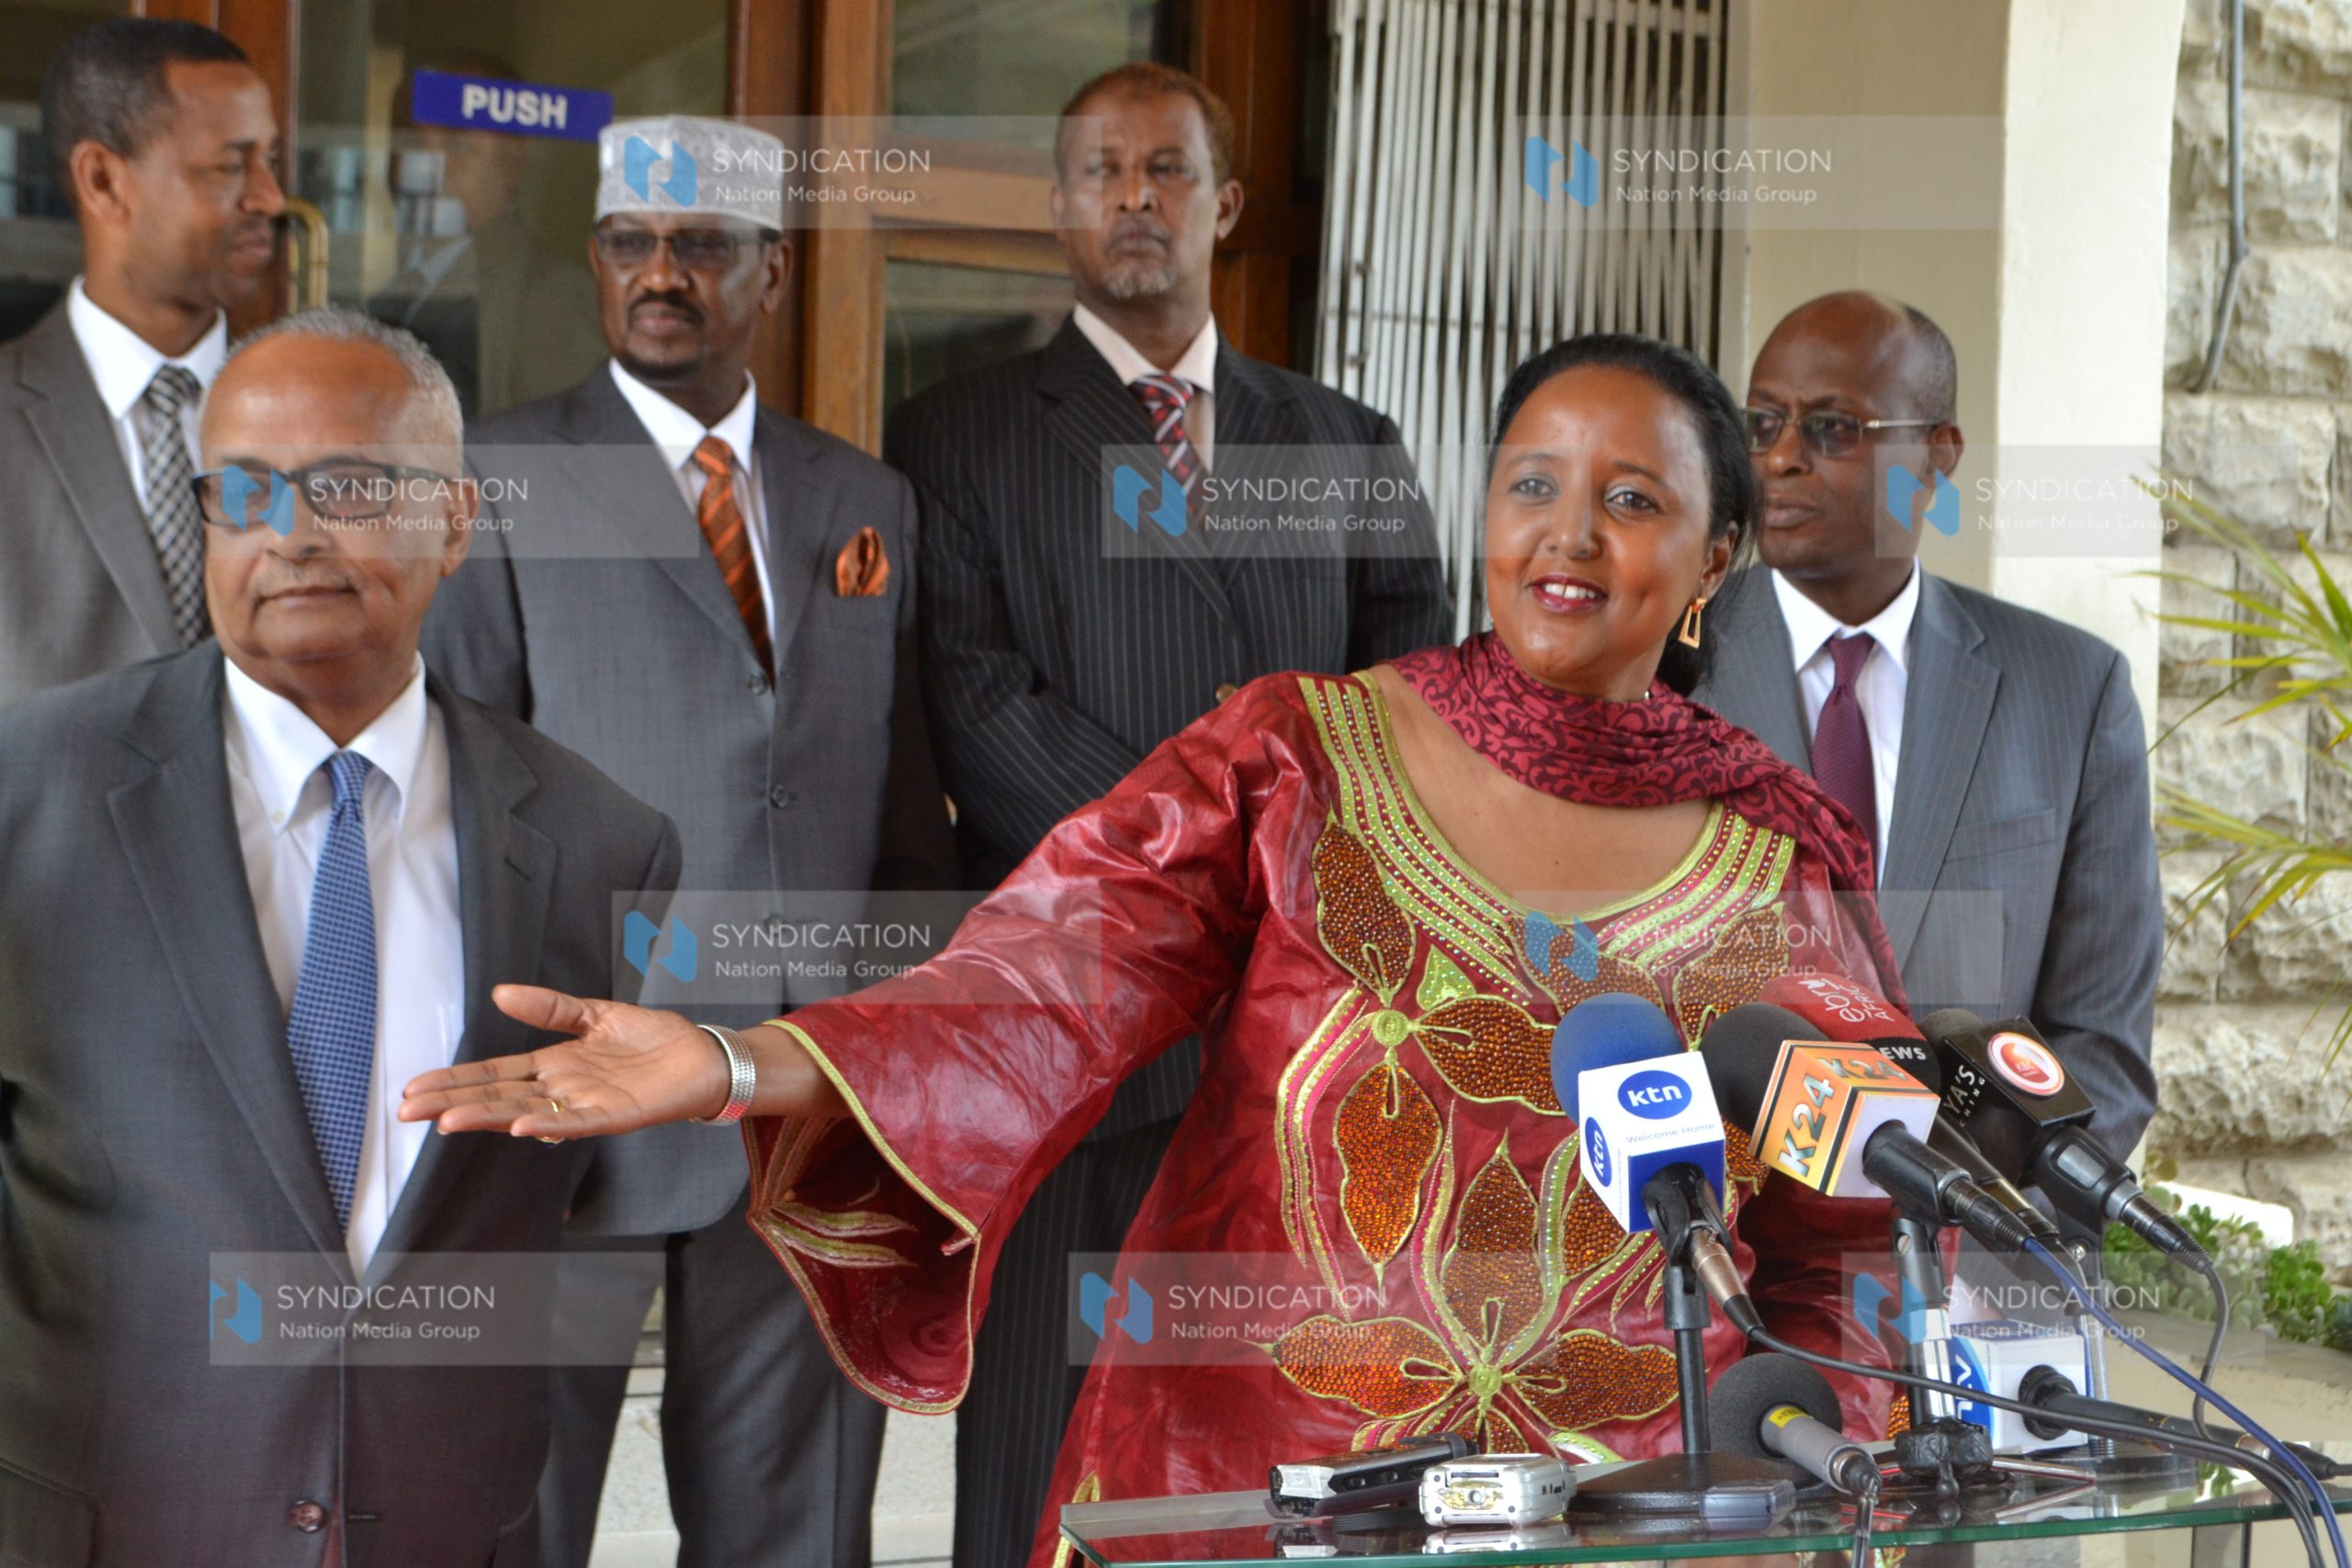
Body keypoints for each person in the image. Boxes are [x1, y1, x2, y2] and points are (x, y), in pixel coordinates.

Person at [405, 333, 1905, 1567]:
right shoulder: (1298, 757)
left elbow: (1849, 1244)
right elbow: (1040, 979)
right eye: (1532, 482)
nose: (1568, 532)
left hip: (1638, 1525)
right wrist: (737, 1058)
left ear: (1716, 554)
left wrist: (1813, 1482)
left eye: (1633, 498)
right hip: (1265, 1507)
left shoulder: (1783, 861)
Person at [882, 63, 1453, 1565]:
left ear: (1228, 205)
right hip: (1082, 1022)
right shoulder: (956, 436)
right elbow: (978, 702)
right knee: (1036, 1453)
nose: (1136, 197)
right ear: (1058, 205)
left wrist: (1283, 897)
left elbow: (1411, 720)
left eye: (1168, 170)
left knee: (1281, 1449)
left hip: (1300, 1033)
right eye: (1101, 171)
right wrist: (1203, 868)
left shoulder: (1346, 442)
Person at [0, 308, 680, 1565]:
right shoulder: (28, 794)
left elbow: (554, 1217)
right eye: (244, 490)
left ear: (458, 520)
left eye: (349, 488)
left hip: (445, 1523)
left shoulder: (601, 845)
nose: (293, 532)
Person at [422, 114, 956, 1568]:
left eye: (702, 245)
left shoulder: (867, 501)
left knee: (793, 1533)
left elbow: (906, 824)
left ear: (770, 273)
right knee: (507, 1522)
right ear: (597, 262)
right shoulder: (502, 474)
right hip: (566, 1101)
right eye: (630, 244)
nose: (663, 273)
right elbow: (452, 800)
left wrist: (879, 1057)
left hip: (799, 1107)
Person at [1692, 291, 2161, 1159]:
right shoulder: (1664, 670)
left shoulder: (2074, 689)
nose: (1782, 459)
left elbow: (2101, 1047)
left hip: (1978, 1246)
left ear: (1937, 454)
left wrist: (1950, 1210)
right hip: (1725, 1250)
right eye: (1762, 423)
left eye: (1832, 428)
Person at [0, 17, 284, 708]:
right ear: (102, 181)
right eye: (228, 166)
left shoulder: (318, 416)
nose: (270, 199)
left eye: (271, 161)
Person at [368, 54, 605, 418]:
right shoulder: (401, 289)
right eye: (410, 141)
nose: (425, 167)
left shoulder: (555, 296)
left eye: (458, 145)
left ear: (515, 162)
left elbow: (556, 452)